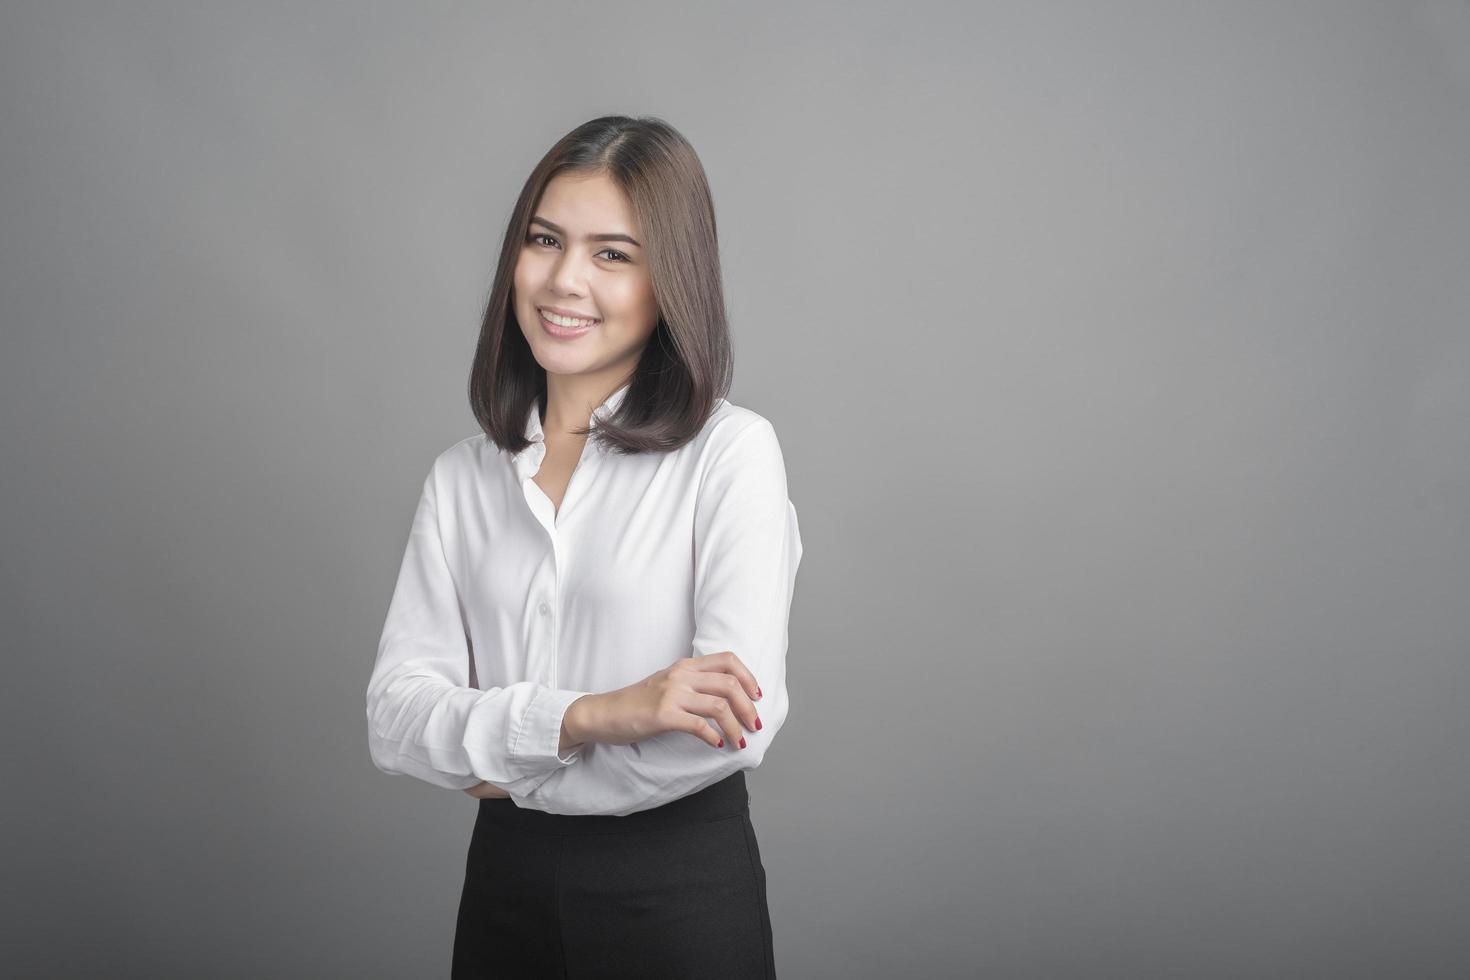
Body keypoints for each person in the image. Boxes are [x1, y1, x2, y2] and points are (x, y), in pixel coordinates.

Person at [364, 115, 803, 979]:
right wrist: (600, 714)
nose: (565, 280)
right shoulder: (462, 478)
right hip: (505, 889)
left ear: (668, 280)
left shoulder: (731, 453)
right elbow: (394, 719)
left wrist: (499, 756)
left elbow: (729, 729)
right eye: (545, 239)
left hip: (677, 893)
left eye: (613, 253)